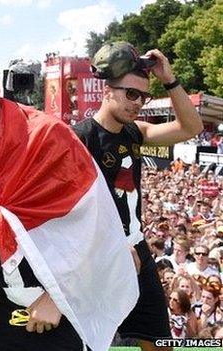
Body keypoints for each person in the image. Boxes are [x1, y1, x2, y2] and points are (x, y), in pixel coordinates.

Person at [0, 54, 138, 351]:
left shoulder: (48, 136)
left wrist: (57, 295)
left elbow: (98, 226)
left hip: (60, 306)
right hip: (7, 302)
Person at [72, 41, 204, 351]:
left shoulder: (135, 131)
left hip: (136, 251)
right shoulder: (79, 138)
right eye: (131, 94)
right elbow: (67, 210)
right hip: (96, 257)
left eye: (143, 96)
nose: (138, 103)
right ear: (107, 91)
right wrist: (111, 245)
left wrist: (169, 79)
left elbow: (191, 126)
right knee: (90, 342)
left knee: (159, 342)